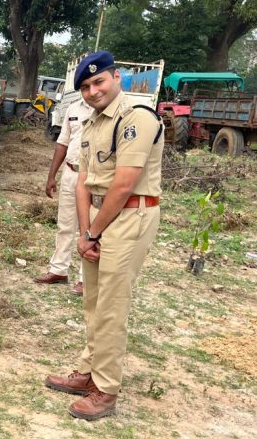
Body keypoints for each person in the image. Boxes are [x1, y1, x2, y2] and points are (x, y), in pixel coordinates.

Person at [44, 51, 163, 421]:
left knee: (111, 307)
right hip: (98, 216)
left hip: (130, 215)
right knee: (93, 299)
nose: (93, 91)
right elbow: (82, 180)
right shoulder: (93, 122)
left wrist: (94, 231)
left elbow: (125, 183)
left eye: (99, 82)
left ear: (117, 78)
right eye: (85, 86)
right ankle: (88, 370)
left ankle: (106, 389)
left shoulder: (137, 118)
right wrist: (85, 232)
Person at [34, 98, 93, 295]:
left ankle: (87, 279)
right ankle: (58, 270)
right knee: (65, 225)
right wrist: (52, 176)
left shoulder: (108, 108)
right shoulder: (74, 107)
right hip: (71, 172)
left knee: (90, 229)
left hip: (95, 177)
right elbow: (63, 143)